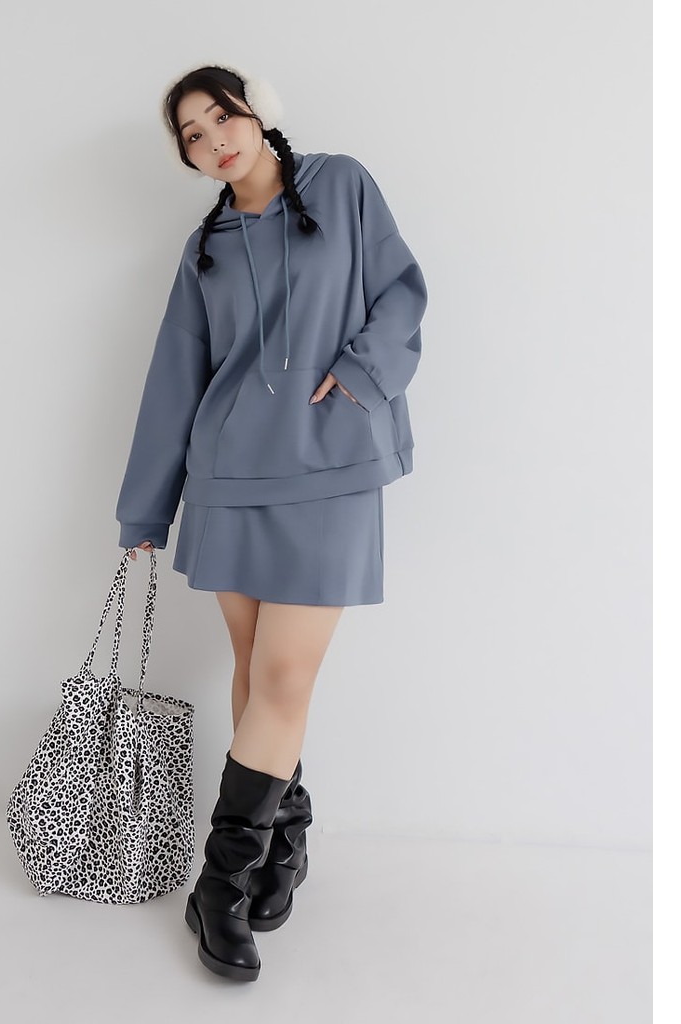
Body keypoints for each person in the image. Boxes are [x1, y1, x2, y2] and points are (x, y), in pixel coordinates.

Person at [114, 63, 428, 982]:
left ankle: (218, 884)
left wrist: (362, 376)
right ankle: (282, 836)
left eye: (223, 116)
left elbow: (402, 291)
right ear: (187, 158)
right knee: (258, 676)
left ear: (257, 114)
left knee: (285, 675)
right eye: (193, 135)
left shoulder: (341, 185)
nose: (215, 138)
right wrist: (146, 506)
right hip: (230, 474)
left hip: (330, 469)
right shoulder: (205, 248)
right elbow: (176, 376)